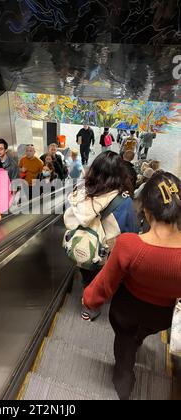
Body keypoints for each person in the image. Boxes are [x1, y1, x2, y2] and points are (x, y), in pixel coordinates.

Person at [82, 171, 181, 400]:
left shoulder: (129, 245)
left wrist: (90, 301)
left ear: (145, 209)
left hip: (126, 309)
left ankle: (123, 375)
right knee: (141, 333)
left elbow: (106, 283)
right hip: (161, 316)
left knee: (124, 338)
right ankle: (137, 341)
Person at [64, 151, 138, 321]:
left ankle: (86, 296)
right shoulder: (123, 201)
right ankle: (92, 306)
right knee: (102, 278)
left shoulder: (80, 191)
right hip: (107, 251)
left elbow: (70, 218)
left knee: (87, 273)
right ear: (120, 173)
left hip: (82, 245)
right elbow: (130, 231)